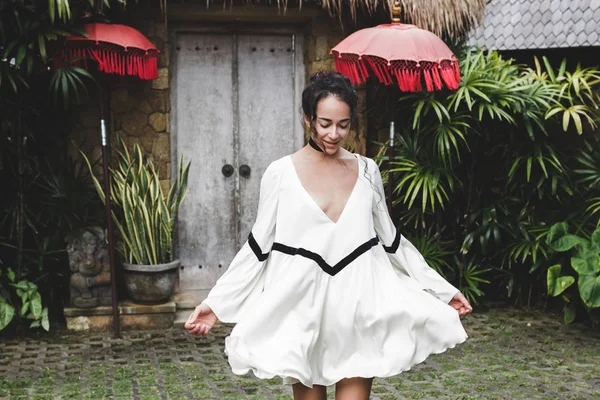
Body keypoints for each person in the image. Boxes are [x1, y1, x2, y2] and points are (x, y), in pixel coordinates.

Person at [185, 71, 472, 400]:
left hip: (359, 306)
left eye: (343, 125)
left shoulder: (367, 170)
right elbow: (257, 247)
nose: (334, 134)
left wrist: (441, 291)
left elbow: (393, 242)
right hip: (301, 308)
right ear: (307, 119)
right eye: (325, 123)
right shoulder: (281, 173)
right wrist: (216, 304)